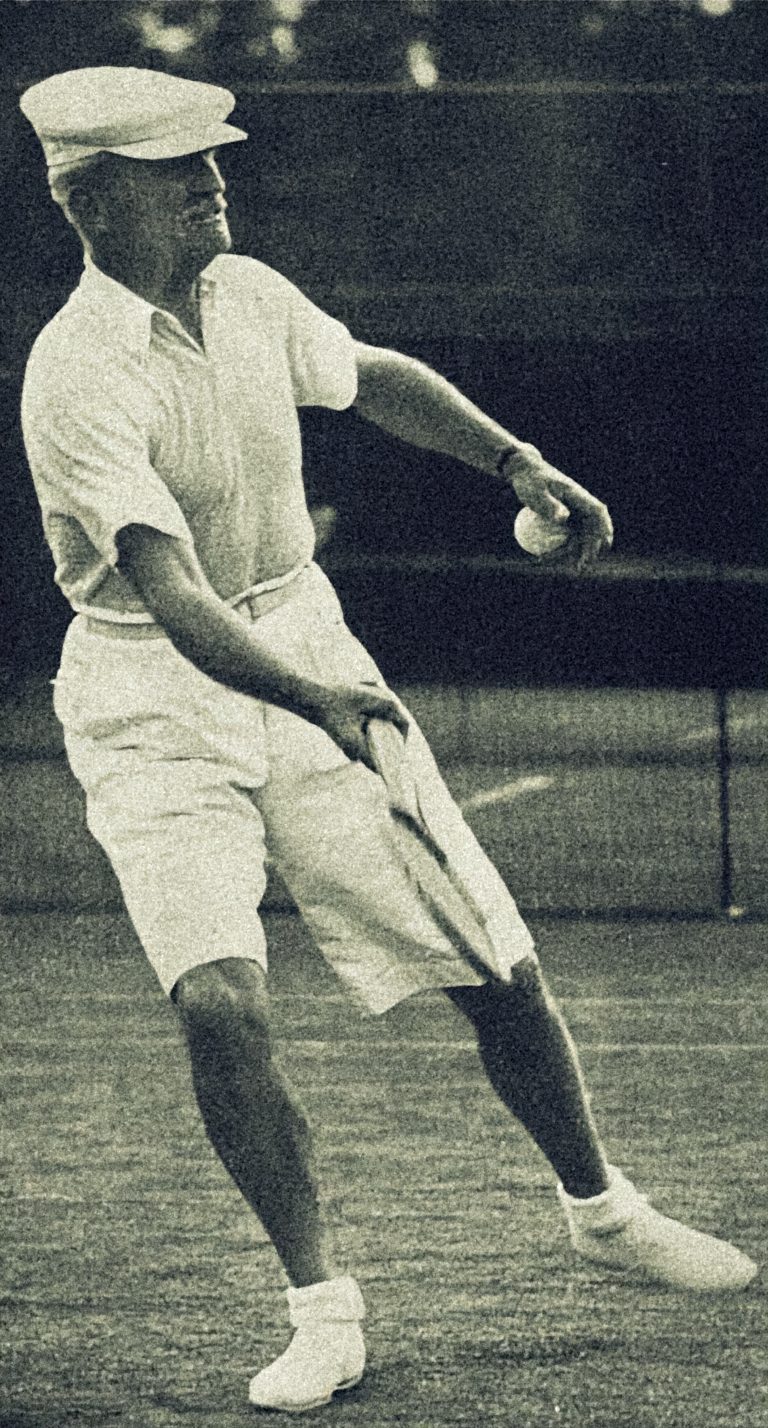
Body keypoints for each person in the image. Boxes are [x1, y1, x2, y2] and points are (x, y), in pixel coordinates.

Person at [19, 66, 756, 1416]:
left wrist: (518, 462)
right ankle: (323, 1311)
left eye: (213, 161)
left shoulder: (253, 293)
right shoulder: (73, 374)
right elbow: (173, 598)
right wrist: (318, 700)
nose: (214, 183)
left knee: (494, 959)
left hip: (304, 634)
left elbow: (371, 379)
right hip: (147, 699)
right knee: (218, 1003)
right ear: (96, 201)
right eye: (180, 171)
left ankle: (602, 1211)